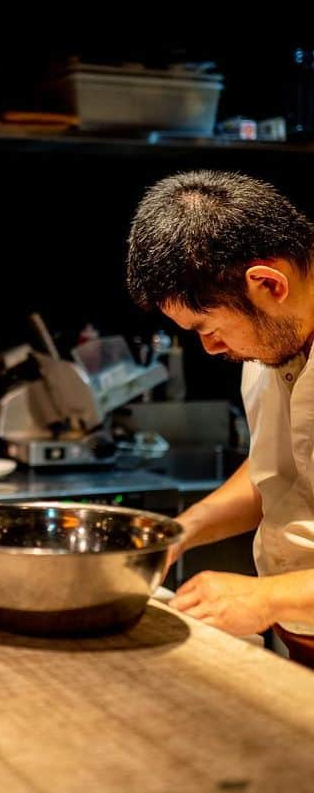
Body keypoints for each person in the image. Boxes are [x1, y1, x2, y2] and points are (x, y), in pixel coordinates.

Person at [126, 169, 314, 665]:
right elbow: (276, 470)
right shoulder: (268, 348)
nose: (210, 348)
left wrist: (267, 597)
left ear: (268, 284)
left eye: (208, 328)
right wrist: (179, 533)